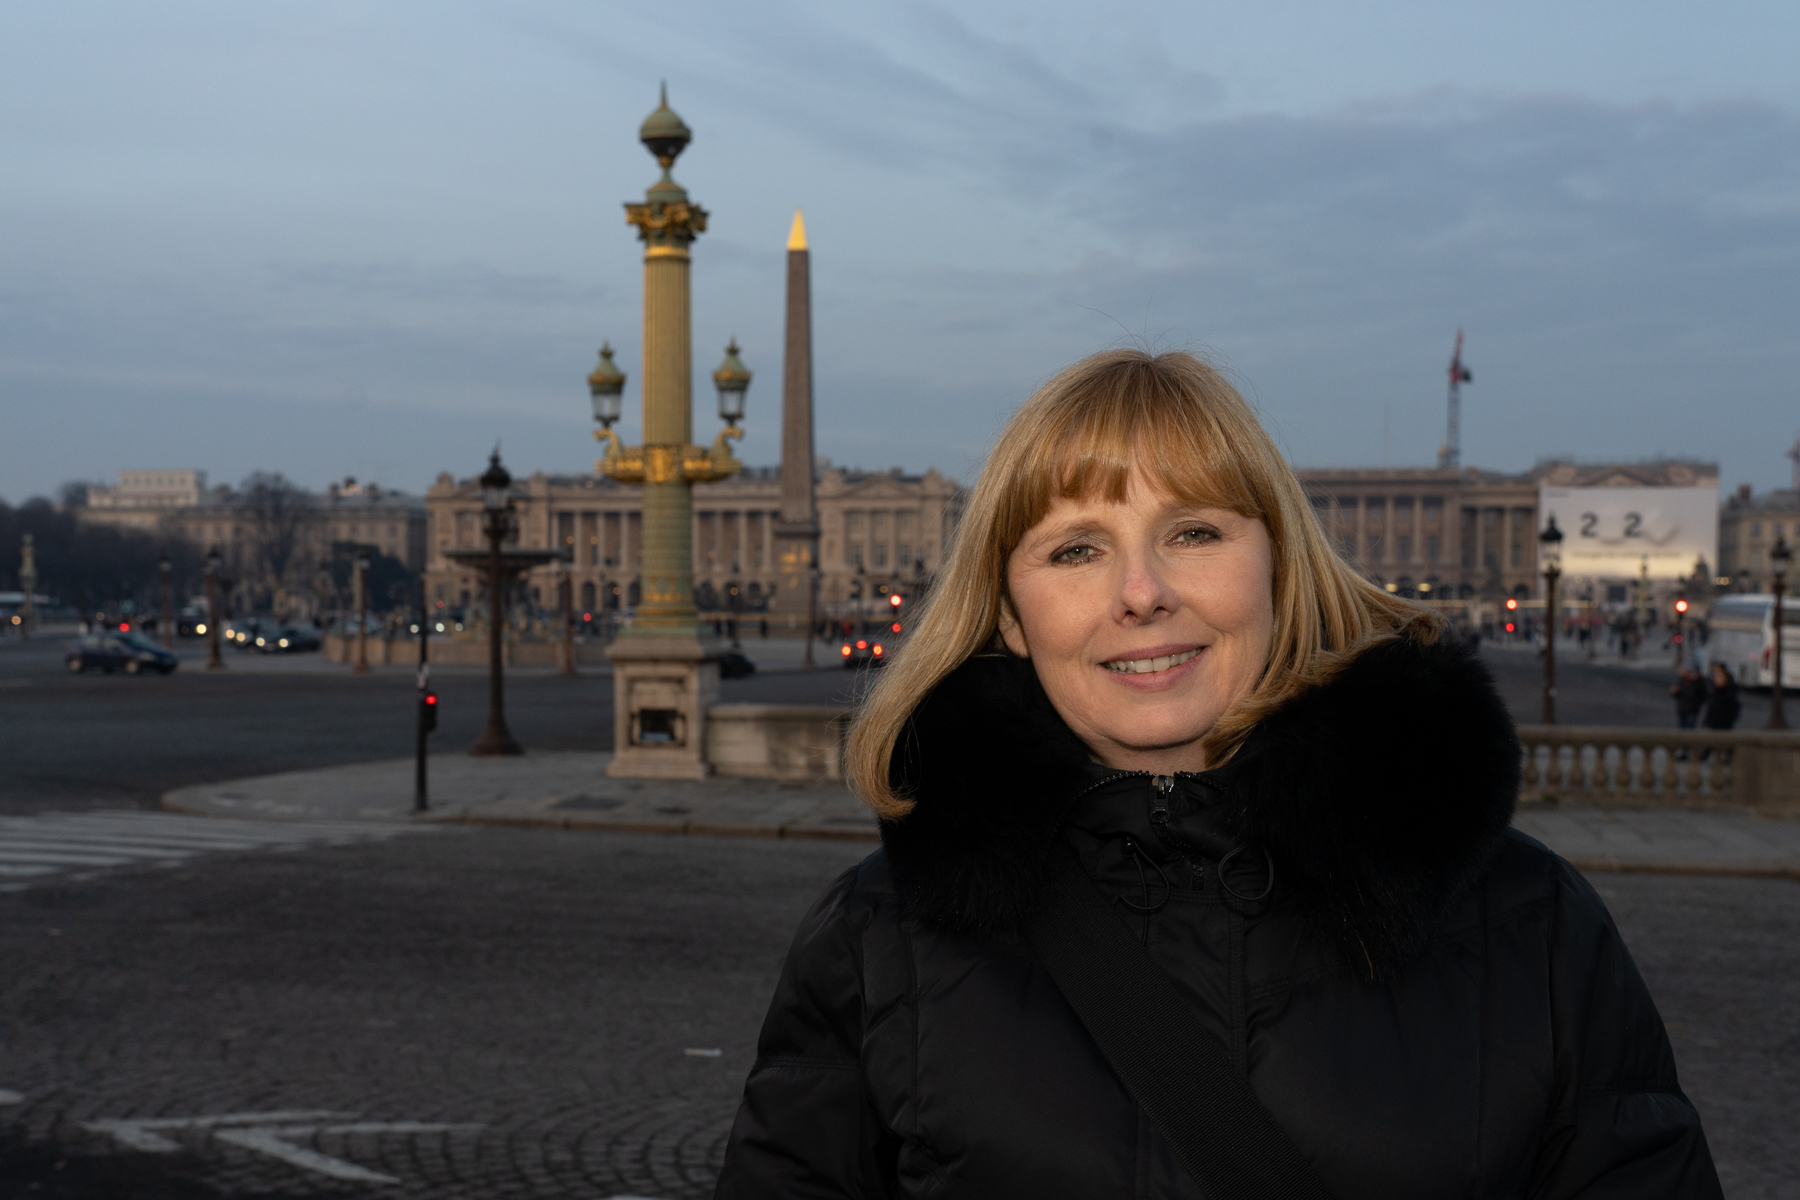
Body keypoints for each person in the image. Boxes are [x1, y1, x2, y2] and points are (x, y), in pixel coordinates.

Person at [713, 349, 1719, 1199]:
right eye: (1076, 549)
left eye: (1193, 532)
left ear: (1277, 565)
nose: (1142, 594)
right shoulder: (876, 942)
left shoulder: (1529, 924)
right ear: (1012, 617)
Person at [1703, 662, 1741, 731]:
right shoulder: (1715, 689)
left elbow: (1731, 706)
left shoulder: (1729, 690)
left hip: (1723, 722)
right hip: (1714, 722)